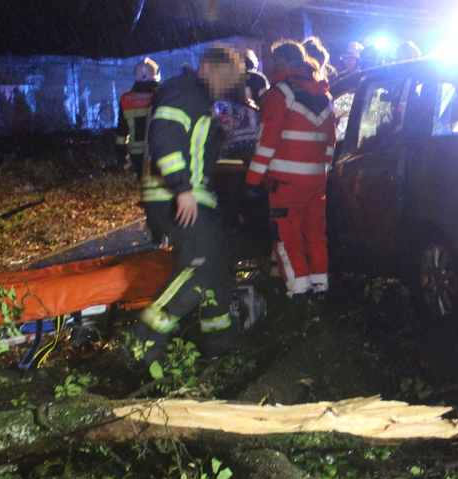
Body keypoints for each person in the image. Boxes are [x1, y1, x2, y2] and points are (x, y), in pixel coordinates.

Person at [126, 46, 245, 369]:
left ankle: (222, 345)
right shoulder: (182, 90)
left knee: (217, 268)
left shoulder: (199, 98)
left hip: (192, 197)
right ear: (208, 68)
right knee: (199, 265)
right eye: (226, 77)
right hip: (173, 197)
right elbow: (164, 135)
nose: (227, 85)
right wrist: (181, 187)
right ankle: (141, 343)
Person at [244, 40, 336, 301]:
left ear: (283, 62)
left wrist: (252, 181)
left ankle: (299, 291)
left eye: (274, 61)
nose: (271, 65)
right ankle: (320, 287)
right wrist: (320, 173)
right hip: (317, 182)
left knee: (286, 237)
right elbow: (330, 143)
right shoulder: (324, 95)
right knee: (316, 234)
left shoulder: (279, 94)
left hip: (285, 183)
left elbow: (266, 144)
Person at [114, 58, 160, 174]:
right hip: (160, 151)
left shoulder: (126, 99)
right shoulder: (163, 95)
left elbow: (122, 131)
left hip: (137, 155)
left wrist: (121, 155)